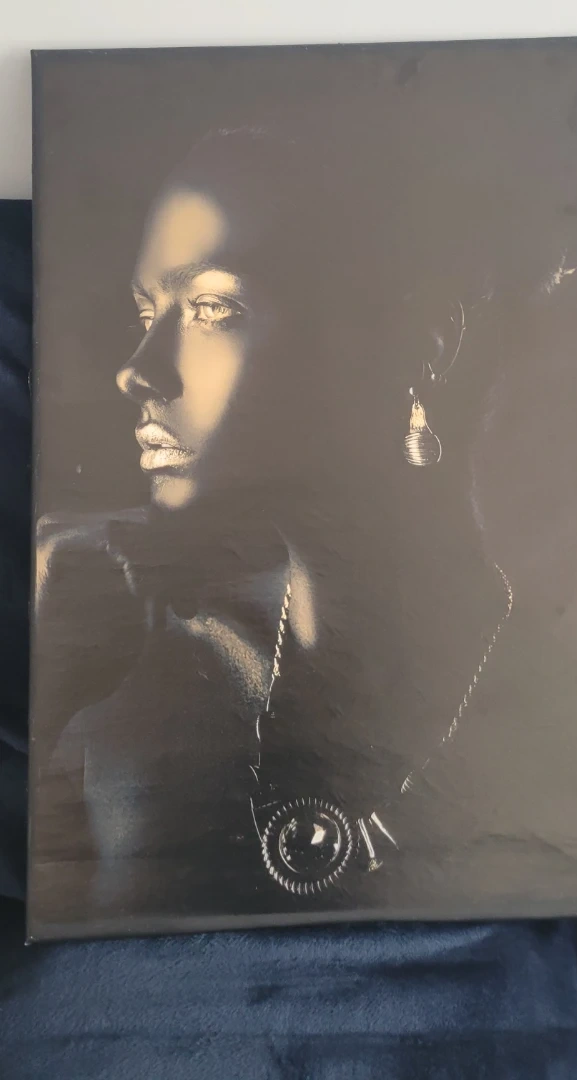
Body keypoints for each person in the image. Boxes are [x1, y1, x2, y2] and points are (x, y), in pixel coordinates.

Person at [31, 120, 510, 929]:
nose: (138, 371)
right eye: (147, 311)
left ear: (417, 342)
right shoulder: (139, 679)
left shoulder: (541, 687)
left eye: (211, 306)